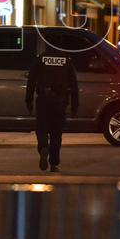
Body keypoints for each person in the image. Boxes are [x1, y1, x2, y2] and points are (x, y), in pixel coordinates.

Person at [25, 42, 79, 172]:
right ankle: (54, 163)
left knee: (42, 129)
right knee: (56, 133)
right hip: (60, 101)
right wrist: (74, 105)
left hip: (43, 100)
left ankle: (43, 147)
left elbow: (31, 80)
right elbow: (74, 84)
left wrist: (29, 100)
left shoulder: (41, 59)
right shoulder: (66, 60)